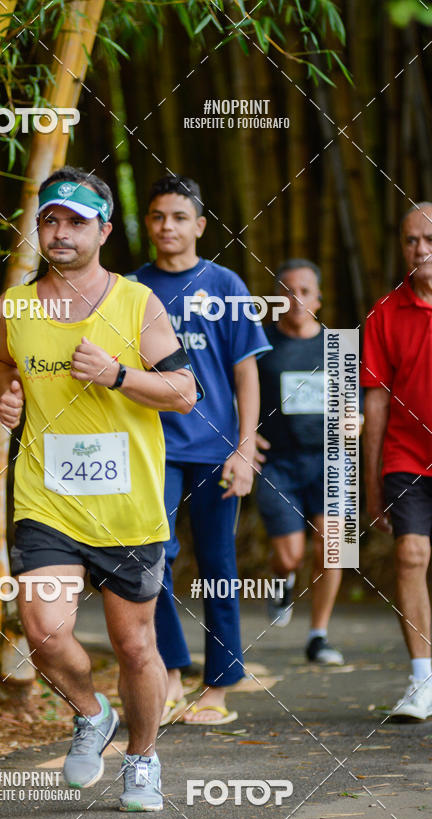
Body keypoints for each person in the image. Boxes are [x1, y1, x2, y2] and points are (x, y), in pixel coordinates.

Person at [0, 165, 198, 810]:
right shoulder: (17, 305)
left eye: (76, 222)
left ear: (104, 231)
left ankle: (143, 762)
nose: (60, 233)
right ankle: (89, 712)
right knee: (43, 632)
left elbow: (185, 394)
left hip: (128, 507)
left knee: (136, 645)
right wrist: (6, 396)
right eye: (50, 220)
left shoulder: (137, 303)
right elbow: (5, 363)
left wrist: (116, 376)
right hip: (46, 499)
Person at [132, 175, 271, 726]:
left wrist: (243, 451)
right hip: (150, 448)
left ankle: (217, 686)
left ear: (200, 225)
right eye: (159, 216)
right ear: (148, 223)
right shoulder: (130, 289)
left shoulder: (226, 284)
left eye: (179, 217)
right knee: (151, 559)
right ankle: (168, 671)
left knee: (218, 564)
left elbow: (246, 375)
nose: (168, 226)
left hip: (215, 448)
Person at [254, 259, 344, 665]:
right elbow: (240, 396)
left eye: (305, 291)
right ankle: (282, 580)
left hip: (330, 460)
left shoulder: (338, 346)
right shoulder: (260, 345)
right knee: (289, 554)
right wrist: (245, 434)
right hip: (279, 465)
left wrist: (354, 418)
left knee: (334, 549)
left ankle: (318, 635)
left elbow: (353, 400)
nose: (296, 299)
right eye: (287, 291)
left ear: (319, 299)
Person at [362, 202, 432, 721]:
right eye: (411, 240)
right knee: (409, 555)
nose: (421, 250)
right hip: (407, 455)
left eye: (429, 239)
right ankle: (422, 681)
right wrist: (372, 485)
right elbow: (376, 401)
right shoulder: (384, 313)